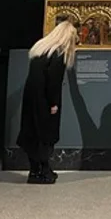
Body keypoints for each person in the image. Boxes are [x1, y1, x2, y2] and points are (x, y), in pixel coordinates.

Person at [17, 19, 78, 184]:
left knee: (32, 133)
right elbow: (54, 82)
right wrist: (53, 103)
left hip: (32, 97)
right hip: (45, 100)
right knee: (46, 135)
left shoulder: (41, 48)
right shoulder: (58, 54)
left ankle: (34, 171)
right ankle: (44, 171)